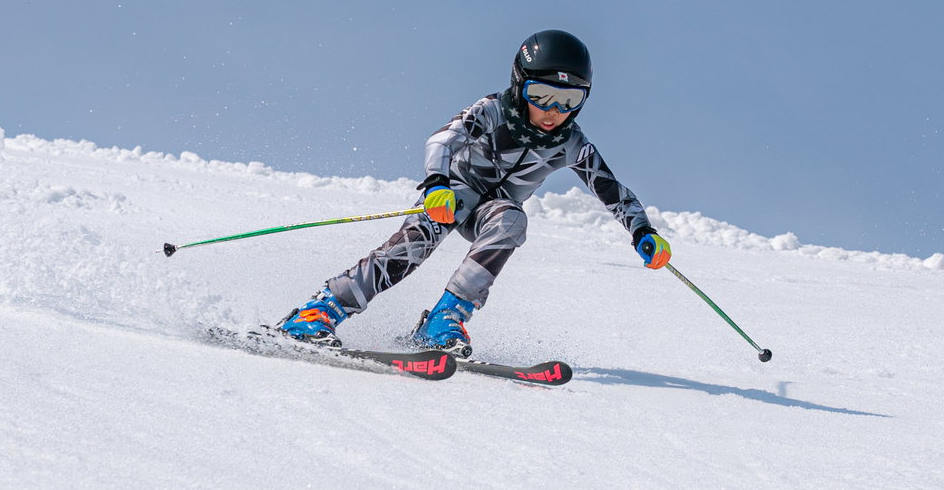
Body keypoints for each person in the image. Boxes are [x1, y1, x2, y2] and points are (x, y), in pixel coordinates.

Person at [275, 29, 671, 357]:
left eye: (568, 100)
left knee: (512, 219)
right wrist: (437, 184)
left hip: (495, 211)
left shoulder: (571, 143)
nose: (553, 111)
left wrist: (642, 232)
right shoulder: (493, 110)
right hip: (453, 195)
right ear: (520, 85)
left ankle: (444, 321)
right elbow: (443, 139)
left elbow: (614, 192)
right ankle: (318, 311)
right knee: (412, 248)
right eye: (541, 95)